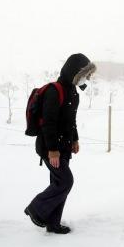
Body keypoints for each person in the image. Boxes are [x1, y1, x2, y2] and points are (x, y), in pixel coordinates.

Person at [24, 53, 96, 234]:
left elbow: (70, 120)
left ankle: (53, 223)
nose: (86, 79)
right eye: (85, 75)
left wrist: (75, 139)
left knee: (59, 184)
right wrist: (53, 151)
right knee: (65, 181)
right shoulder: (54, 91)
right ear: (74, 72)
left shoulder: (73, 92)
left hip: (64, 145)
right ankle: (36, 208)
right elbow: (49, 124)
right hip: (50, 147)